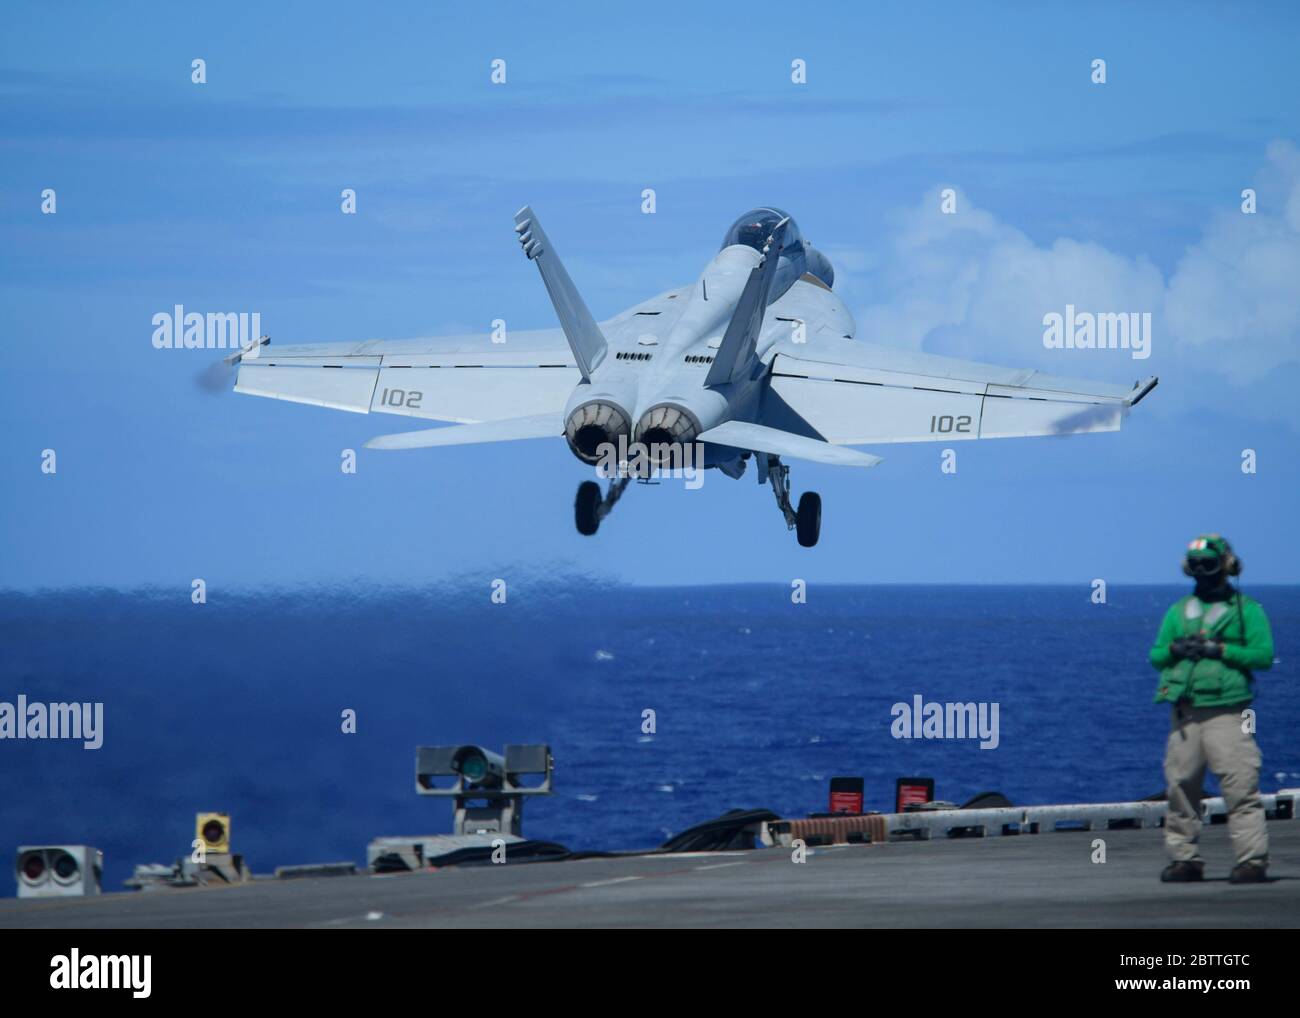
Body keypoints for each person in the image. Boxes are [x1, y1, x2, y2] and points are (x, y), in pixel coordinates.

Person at [1149, 534, 1275, 883]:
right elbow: (1156, 655)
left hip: (1227, 712)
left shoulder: (1246, 610)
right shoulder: (1179, 612)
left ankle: (1251, 860)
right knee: (1180, 787)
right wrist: (1177, 649)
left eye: (1209, 564)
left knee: (1239, 786)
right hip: (1186, 714)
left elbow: (1262, 656)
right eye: (1195, 566)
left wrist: (1221, 651)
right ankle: (1184, 858)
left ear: (1226, 566)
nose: (1202, 572)